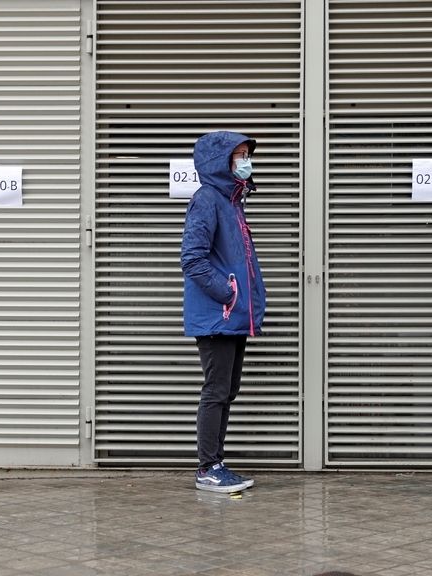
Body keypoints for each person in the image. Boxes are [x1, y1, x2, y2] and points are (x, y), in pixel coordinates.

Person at [181, 131, 266, 493]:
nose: (246, 162)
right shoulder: (207, 200)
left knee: (227, 390)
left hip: (232, 316)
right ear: (221, 161)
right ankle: (207, 468)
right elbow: (192, 259)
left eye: (247, 155)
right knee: (216, 391)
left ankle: (217, 463)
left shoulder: (231, 202)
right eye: (240, 155)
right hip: (218, 316)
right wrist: (228, 294)